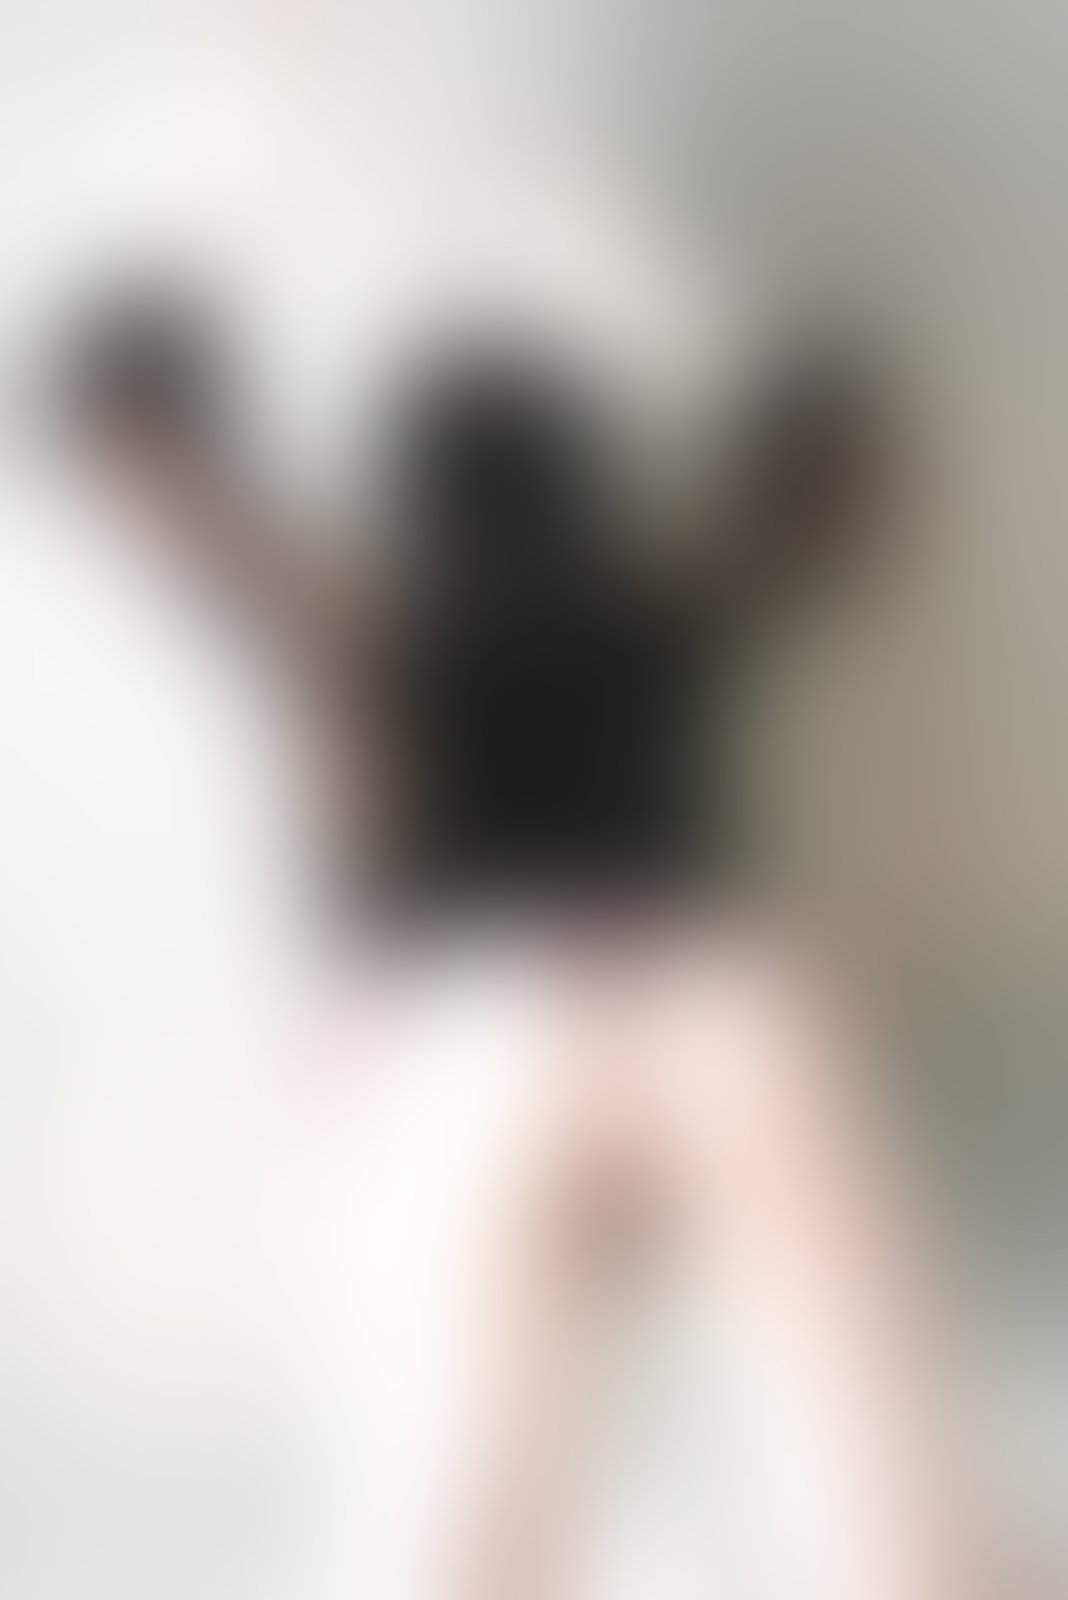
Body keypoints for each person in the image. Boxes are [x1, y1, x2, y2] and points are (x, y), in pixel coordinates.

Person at [53, 190, 981, 1600]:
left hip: (470, 1023)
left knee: (466, 1513)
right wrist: (763, 363)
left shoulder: (356, 623)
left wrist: (210, 269)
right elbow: (825, 466)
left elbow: (157, 455)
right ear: (589, 484)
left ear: (406, 499)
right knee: (886, 1489)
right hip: (710, 995)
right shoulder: (663, 600)